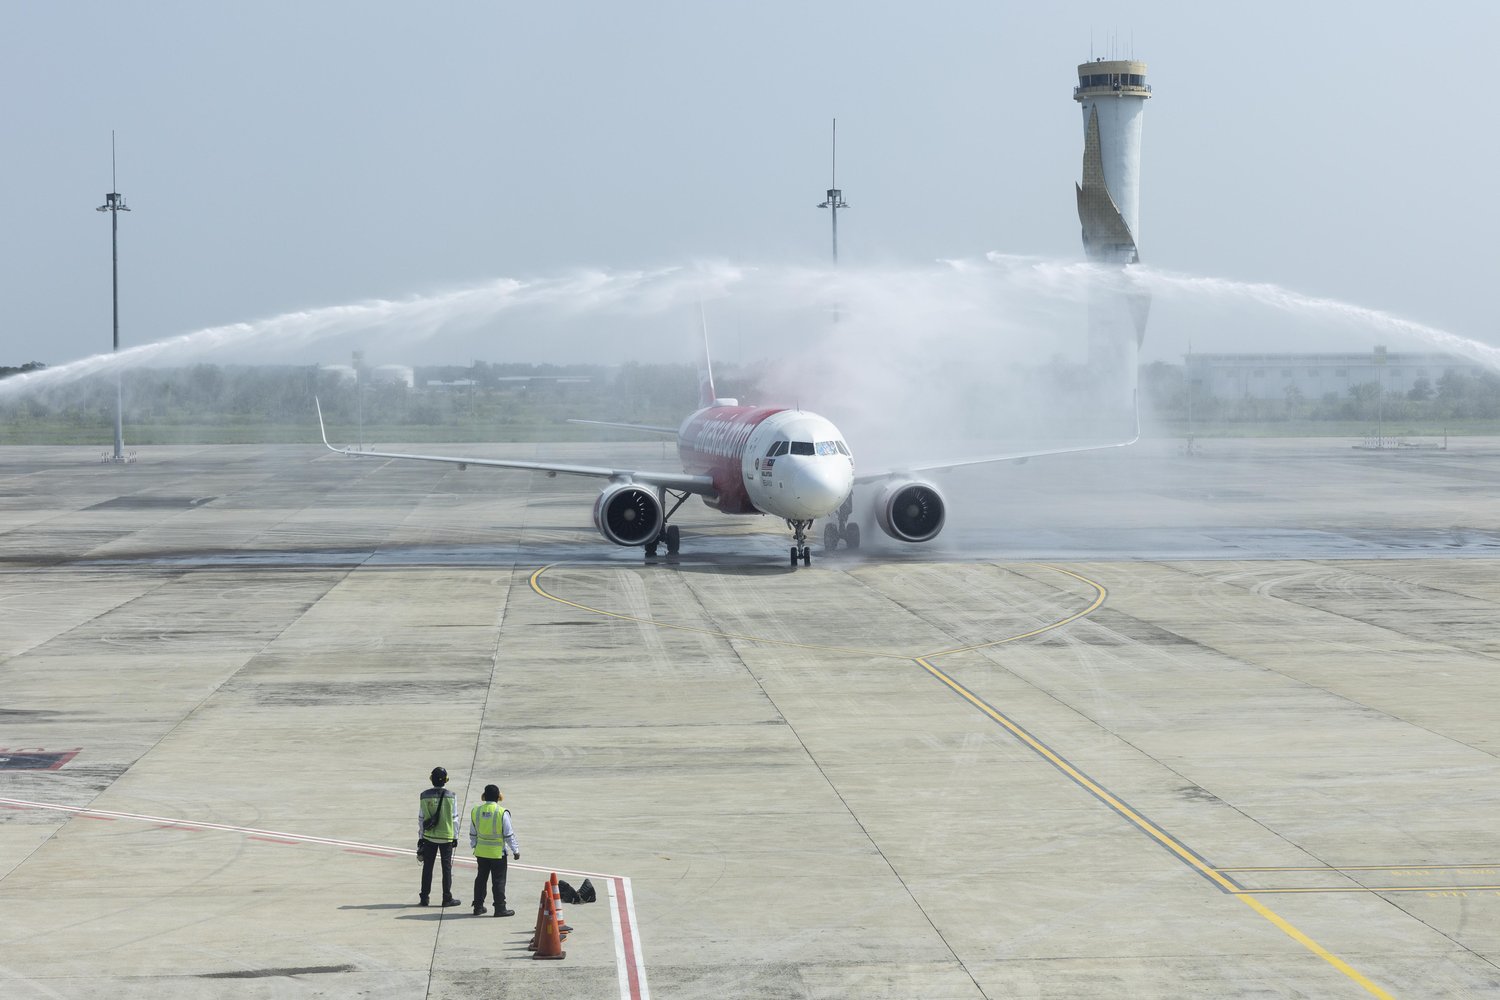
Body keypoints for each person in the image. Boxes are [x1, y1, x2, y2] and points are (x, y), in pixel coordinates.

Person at [468, 783, 520, 916]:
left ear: (484, 796)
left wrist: (475, 845)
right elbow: (508, 834)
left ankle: (478, 907)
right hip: (497, 854)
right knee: (498, 881)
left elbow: (472, 832)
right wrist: (515, 850)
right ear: (499, 797)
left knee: (481, 879)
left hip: (481, 853)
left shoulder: (476, 811)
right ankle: (500, 908)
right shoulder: (501, 812)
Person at [417, 766, 461, 907]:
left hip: (429, 837)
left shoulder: (424, 795)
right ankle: (446, 898)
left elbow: (421, 818)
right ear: (445, 780)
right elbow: (454, 818)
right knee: (446, 868)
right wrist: (455, 836)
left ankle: (424, 897)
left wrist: (421, 837)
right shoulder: (451, 795)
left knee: (427, 867)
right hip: (446, 837)